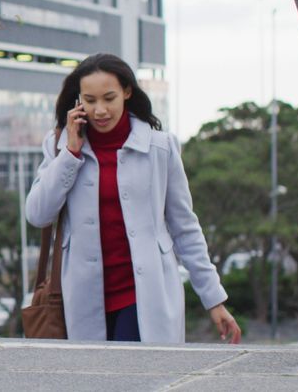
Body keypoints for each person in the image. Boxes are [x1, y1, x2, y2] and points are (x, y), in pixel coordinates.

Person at [25, 53, 241, 344]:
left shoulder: (159, 147)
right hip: (85, 298)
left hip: (144, 295)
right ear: (78, 101)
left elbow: (184, 227)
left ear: (127, 92)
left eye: (109, 98)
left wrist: (214, 300)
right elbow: (38, 214)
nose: (100, 110)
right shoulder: (60, 145)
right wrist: (71, 154)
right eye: (90, 100)